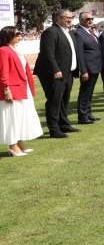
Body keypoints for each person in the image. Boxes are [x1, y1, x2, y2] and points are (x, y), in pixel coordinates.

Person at [34, 9, 81, 138]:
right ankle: (53, 129)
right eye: (67, 17)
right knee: (54, 100)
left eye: (71, 17)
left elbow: (72, 52)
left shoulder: (69, 33)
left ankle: (64, 124)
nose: (70, 20)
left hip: (68, 72)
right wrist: (55, 70)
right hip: (53, 73)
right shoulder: (51, 32)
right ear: (58, 18)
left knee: (64, 99)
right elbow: (47, 53)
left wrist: (76, 69)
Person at [0, 27, 43, 156]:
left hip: (23, 88)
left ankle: (19, 142)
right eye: (17, 33)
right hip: (12, 89)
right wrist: (6, 89)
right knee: (12, 117)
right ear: (8, 35)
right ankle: (12, 145)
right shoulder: (3, 50)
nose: (20, 35)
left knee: (21, 116)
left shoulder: (16, 49)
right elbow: (3, 72)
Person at [73, 12, 102, 124]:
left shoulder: (90, 32)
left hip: (95, 66)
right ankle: (83, 116)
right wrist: (83, 70)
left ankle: (88, 113)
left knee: (90, 92)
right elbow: (80, 54)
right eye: (87, 19)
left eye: (91, 19)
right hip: (88, 68)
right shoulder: (79, 33)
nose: (90, 21)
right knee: (85, 92)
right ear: (81, 21)